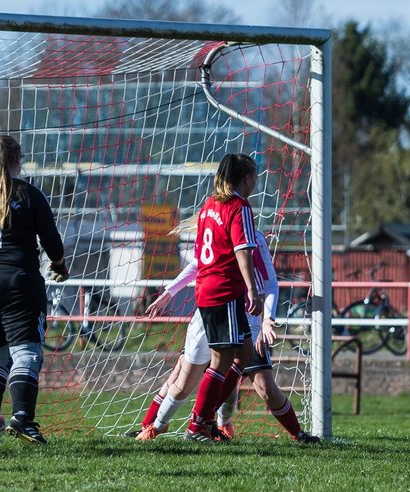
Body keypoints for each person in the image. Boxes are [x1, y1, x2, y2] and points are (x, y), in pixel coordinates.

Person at [183, 153, 318, 443]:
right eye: (255, 177)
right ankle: (198, 426)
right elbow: (242, 251)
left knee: (244, 358)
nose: (256, 183)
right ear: (247, 178)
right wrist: (252, 290)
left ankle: (292, 433)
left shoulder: (209, 206)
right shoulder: (239, 206)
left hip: (208, 290)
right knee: (220, 362)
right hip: (225, 292)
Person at [131, 220, 282, 441]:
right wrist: (168, 293)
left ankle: (213, 425)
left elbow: (268, 282)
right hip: (208, 312)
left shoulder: (253, 238)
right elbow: (196, 265)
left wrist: (266, 317)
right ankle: (154, 426)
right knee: (183, 379)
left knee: (232, 370)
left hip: (240, 314)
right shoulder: (210, 232)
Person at [0, 134, 67, 445]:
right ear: (16, 159)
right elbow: (51, 240)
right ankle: (23, 418)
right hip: (18, 280)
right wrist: (59, 264)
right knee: (26, 352)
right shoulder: (29, 194)